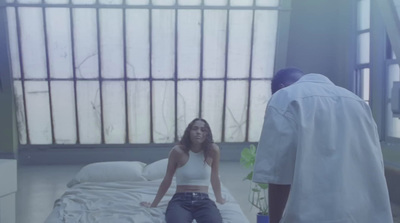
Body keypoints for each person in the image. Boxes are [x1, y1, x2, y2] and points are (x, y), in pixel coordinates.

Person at [253, 68, 393, 223]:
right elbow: (375, 163)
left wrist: (274, 221)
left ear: (281, 86)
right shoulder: (358, 102)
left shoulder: (284, 97)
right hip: (365, 215)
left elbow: (278, 173)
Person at [141, 118, 225, 223]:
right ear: (189, 131)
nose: (198, 132)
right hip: (180, 201)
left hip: (203, 201)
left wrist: (219, 199)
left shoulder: (213, 150)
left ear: (207, 134)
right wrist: (154, 204)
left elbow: (215, 177)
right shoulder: (177, 151)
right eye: (195, 129)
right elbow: (167, 179)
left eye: (203, 130)